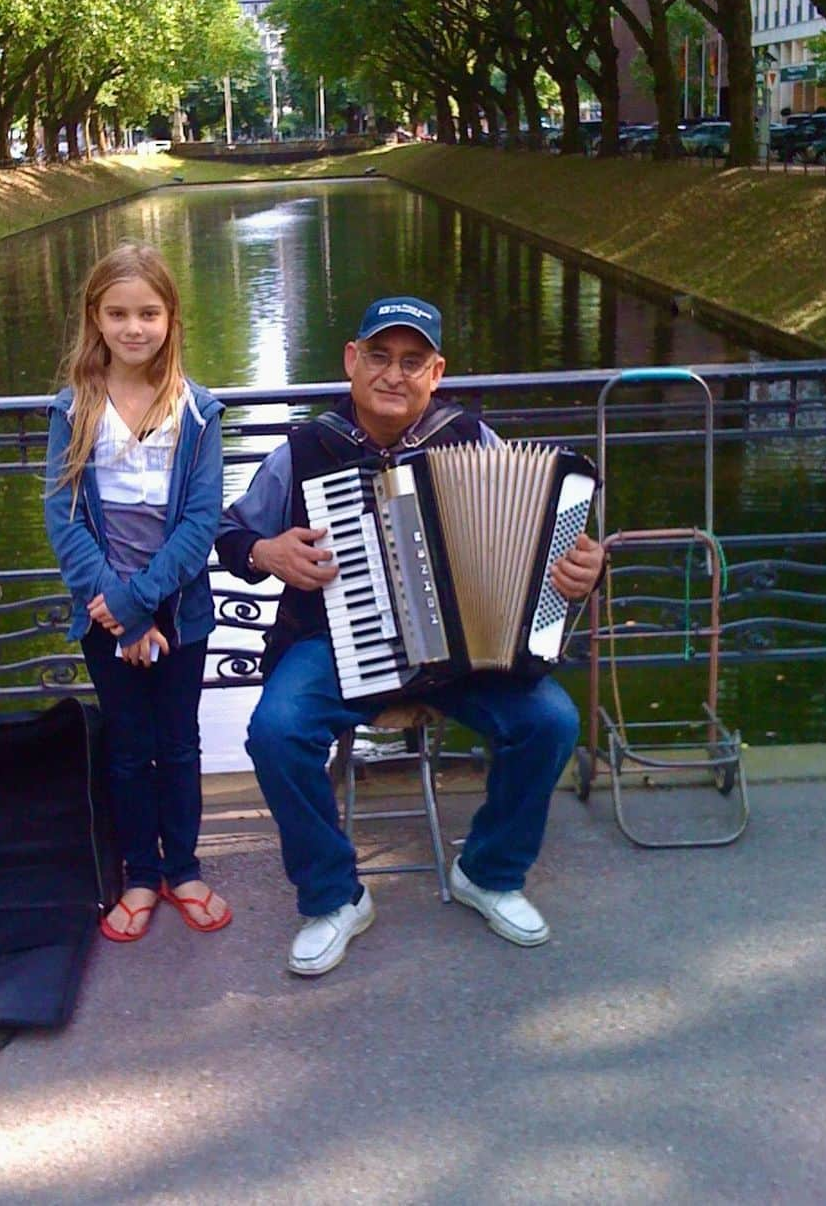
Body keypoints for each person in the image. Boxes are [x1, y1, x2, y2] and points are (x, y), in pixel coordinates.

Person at [216, 296, 604, 977]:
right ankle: (334, 897)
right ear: (351, 361)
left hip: (461, 655)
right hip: (335, 643)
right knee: (275, 732)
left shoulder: (473, 441)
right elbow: (230, 534)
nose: (394, 375)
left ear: (436, 372)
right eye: (379, 356)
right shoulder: (305, 451)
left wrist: (580, 569)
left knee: (549, 721)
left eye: (412, 361)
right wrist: (265, 553)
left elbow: (543, 545)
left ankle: (488, 872)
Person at [45, 242, 232, 942]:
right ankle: (139, 875)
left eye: (147, 313)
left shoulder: (198, 411)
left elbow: (201, 521)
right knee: (128, 745)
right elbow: (62, 518)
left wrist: (139, 605)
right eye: (117, 313)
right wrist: (114, 611)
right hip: (103, 613)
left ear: (170, 317)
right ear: (95, 318)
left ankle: (183, 866)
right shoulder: (75, 407)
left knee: (178, 742)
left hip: (177, 612)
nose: (133, 328)